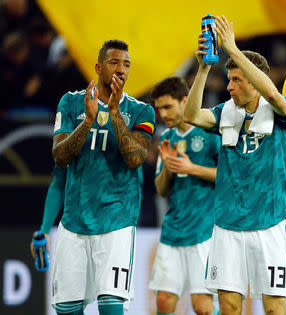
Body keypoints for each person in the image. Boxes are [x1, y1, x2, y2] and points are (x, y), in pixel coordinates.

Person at [184, 16, 286, 315]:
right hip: (228, 225)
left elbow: (272, 94)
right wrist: (203, 68)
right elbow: (191, 115)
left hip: (271, 223)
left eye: (237, 80)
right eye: (230, 79)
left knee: (274, 308)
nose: (230, 86)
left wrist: (232, 49)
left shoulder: (283, 110)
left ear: (254, 80)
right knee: (230, 306)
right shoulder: (225, 113)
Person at [51, 39, 155, 315]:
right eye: (114, 62)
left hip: (116, 222)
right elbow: (60, 157)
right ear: (98, 67)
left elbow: (135, 159)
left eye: (127, 65)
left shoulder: (142, 111)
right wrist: (87, 121)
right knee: (67, 309)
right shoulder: (72, 103)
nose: (121, 69)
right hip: (74, 220)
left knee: (111, 305)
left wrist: (115, 113)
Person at [148, 76, 220, 315]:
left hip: (204, 231)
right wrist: (168, 168)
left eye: (168, 106)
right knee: (164, 302)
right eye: (160, 109)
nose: (164, 114)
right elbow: (161, 189)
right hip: (173, 231)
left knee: (202, 306)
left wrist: (193, 169)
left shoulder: (209, 132)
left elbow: (230, 177)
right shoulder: (168, 139)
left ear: (185, 100)